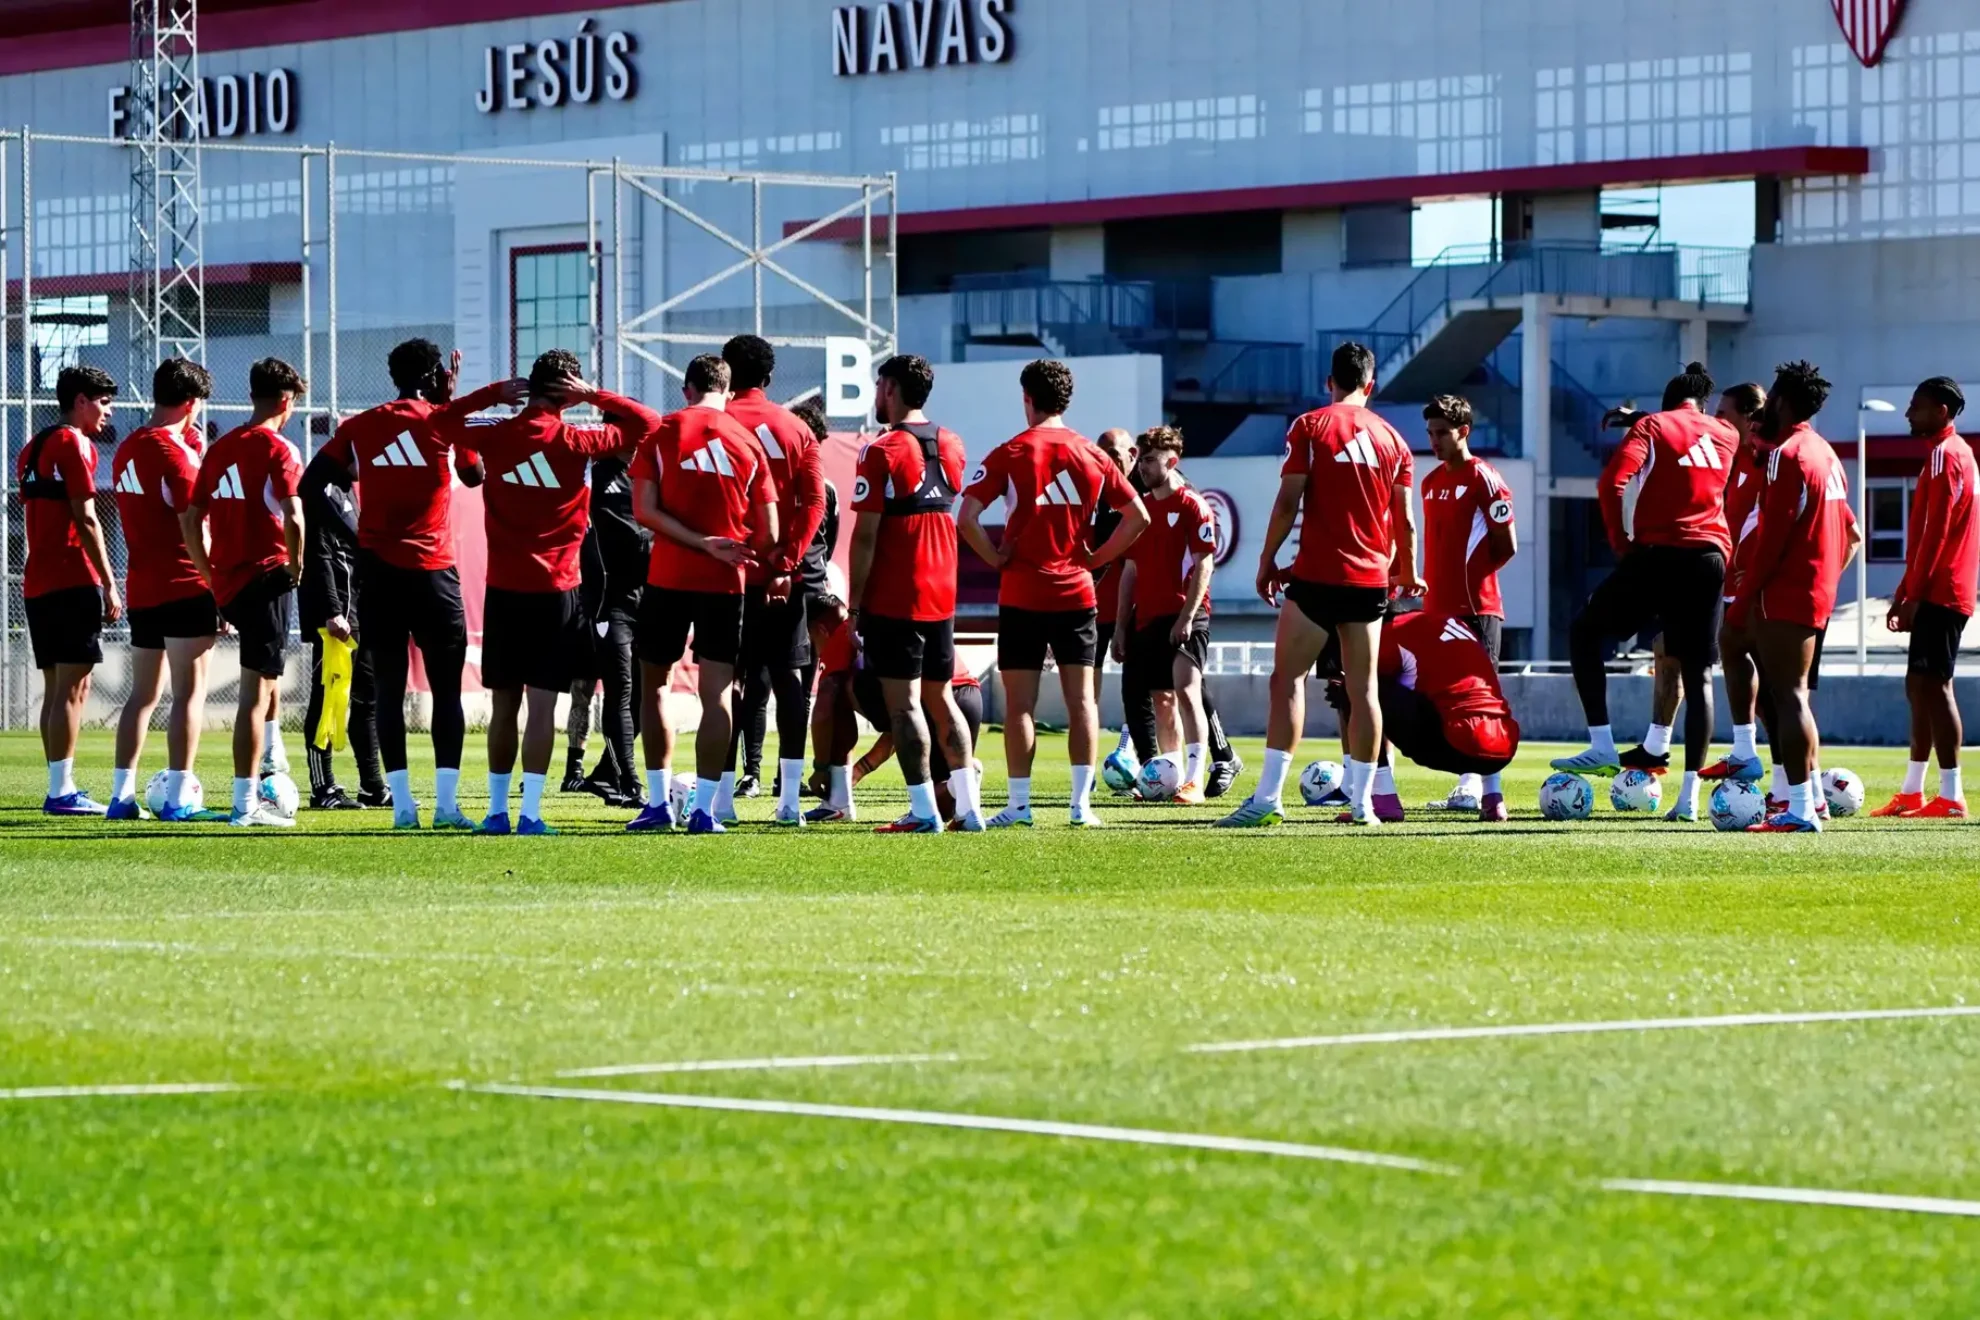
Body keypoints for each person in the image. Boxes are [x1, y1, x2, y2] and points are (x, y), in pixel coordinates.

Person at [439, 350, 659, 836]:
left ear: (530, 387)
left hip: (504, 588)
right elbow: (649, 423)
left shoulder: (495, 431)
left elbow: (441, 421)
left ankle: (497, 812)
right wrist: (594, 395)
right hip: (558, 589)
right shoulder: (580, 440)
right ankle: (531, 814)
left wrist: (489, 393)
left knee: (503, 705)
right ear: (568, 392)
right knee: (542, 707)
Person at [1218, 341, 1418, 828]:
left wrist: (1266, 560)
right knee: (1364, 689)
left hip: (1317, 577)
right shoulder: (1395, 440)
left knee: (1287, 680)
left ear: (1330, 382)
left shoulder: (1309, 426)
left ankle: (1268, 799)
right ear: (1371, 385)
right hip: (1369, 580)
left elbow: (1288, 502)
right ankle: (1363, 804)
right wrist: (1408, 572)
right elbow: (1405, 522)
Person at [958, 359, 1149, 829]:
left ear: (1027, 398)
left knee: (1019, 707)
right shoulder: (1092, 454)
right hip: (1076, 596)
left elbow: (966, 517)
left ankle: (1019, 807)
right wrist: (1097, 558)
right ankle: (1081, 807)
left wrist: (995, 557)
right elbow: (1138, 516)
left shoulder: (1012, 451)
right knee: (1082, 703)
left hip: (1021, 594)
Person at [1554, 362, 1736, 823]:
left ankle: (1601, 744)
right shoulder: (1726, 433)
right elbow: (1694, 435)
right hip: (1711, 558)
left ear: (1666, 403)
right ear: (1703, 405)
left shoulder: (1653, 427)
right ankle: (1688, 799)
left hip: (1659, 554)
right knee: (1699, 675)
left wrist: (1623, 545)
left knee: (1584, 632)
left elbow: (1611, 483)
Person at [321, 340, 488, 831]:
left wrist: (357, 536)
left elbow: (312, 486)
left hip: (380, 574)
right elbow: (474, 476)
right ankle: (447, 807)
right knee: (446, 692)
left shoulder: (361, 425)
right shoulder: (444, 421)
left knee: (388, 691)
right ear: (436, 375)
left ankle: (402, 809)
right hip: (434, 573)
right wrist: (450, 405)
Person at [627, 353, 779, 835]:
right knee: (717, 695)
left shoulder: (663, 431)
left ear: (687, 389)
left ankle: (657, 803)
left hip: (668, 578)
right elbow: (770, 532)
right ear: (729, 392)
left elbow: (643, 510)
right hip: (724, 583)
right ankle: (706, 811)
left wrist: (696, 542)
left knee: (654, 686)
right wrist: (731, 547)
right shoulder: (748, 442)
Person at [847, 352, 982, 832]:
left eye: (878, 385)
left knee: (904, 706)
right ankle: (969, 810)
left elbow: (865, 536)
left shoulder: (880, 450)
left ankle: (924, 812)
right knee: (941, 701)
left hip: (897, 595)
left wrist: (854, 606)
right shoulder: (953, 443)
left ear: (891, 388)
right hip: (941, 592)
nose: (876, 394)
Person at [184, 358, 306, 828]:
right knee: (256, 693)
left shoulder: (220, 449)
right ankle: (244, 803)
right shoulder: (280, 449)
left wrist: (209, 575)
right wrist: (296, 567)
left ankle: (267, 770)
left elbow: (191, 519)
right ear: (285, 400)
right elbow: (294, 516)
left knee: (264, 685)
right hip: (267, 578)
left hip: (231, 584)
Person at [1733, 361, 1852, 834]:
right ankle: (1813, 801)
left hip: (1787, 590)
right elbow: (1847, 530)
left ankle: (1799, 808)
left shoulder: (1789, 455)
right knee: (1792, 696)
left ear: (1780, 400)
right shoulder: (1826, 451)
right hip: (1816, 588)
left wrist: (1745, 596)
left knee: (1789, 697)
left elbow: (1773, 539)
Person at [107, 359, 224, 821]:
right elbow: (195, 526)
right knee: (188, 695)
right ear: (192, 403)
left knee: (142, 697)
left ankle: (121, 797)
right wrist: (217, 584)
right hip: (185, 583)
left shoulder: (129, 447)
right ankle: (178, 799)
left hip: (142, 586)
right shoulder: (175, 454)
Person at [720, 334, 827, 824]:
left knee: (724, 683)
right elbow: (815, 503)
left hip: (725, 575)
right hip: (784, 578)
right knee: (789, 682)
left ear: (726, 371)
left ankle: (720, 799)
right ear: (768, 377)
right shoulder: (796, 428)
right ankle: (788, 803)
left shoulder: (717, 423)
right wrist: (787, 564)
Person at [21, 365, 122, 815]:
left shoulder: (32, 446)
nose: (108, 411)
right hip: (71, 579)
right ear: (80, 401)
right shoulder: (75, 443)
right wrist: (109, 582)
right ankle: (61, 793)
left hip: (38, 582)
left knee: (57, 688)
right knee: (73, 689)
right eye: (103, 402)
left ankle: (59, 785)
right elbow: (86, 518)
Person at [1874, 377, 1976, 819]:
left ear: (1941, 411)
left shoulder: (1945, 455)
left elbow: (1936, 531)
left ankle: (1951, 796)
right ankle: (1913, 791)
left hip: (1943, 590)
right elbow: (1927, 535)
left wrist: (1914, 594)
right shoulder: (1954, 454)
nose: (1907, 413)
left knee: (1935, 686)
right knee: (1919, 686)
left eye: (1915, 406)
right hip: (1937, 587)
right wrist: (1904, 590)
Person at [1417, 394, 1516, 810]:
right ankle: (1469, 786)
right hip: (1436, 611)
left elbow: (1506, 545)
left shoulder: (1485, 478)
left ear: (1464, 431)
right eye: (1430, 433)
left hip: (1477, 610)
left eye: (1442, 432)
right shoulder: (1429, 482)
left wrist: (1472, 582)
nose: (1434, 441)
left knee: (1481, 703)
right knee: (1445, 702)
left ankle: (1487, 794)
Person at [1326, 610, 1520, 822]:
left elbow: (1367, 684)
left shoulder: (1393, 631)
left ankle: (1384, 800)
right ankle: (1493, 799)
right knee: (1472, 704)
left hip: (1457, 741)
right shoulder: (1452, 623)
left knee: (1356, 690)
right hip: (1504, 747)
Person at [1108, 425, 1217, 803]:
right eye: (1142, 459)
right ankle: (1168, 777)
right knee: (1162, 700)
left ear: (1172, 462)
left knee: (1186, 690)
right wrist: (1121, 627)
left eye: (1151, 460)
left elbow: (1204, 564)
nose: (1143, 467)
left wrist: (1187, 616)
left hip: (1187, 613)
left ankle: (1195, 780)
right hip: (1148, 618)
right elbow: (1130, 572)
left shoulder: (1193, 505)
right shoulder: (1141, 510)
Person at [297, 429, 387, 811]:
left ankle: (373, 786)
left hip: (358, 611)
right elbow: (318, 556)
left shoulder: (349, 491)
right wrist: (332, 611)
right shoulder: (321, 490)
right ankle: (323, 789)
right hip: (335, 618)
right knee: (328, 698)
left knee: (367, 698)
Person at [1702, 382, 1775, 785]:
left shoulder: (1774, 461)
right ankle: (1746, 753)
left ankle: (1803, 790)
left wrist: (1771, 575)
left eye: (1723, 414)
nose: (1715, 421)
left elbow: (1849, 534)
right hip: (1734, 589)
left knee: (1784, 698)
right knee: (1745, 672)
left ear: (1749, 418)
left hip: (1766, 596)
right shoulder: (1735, 459)